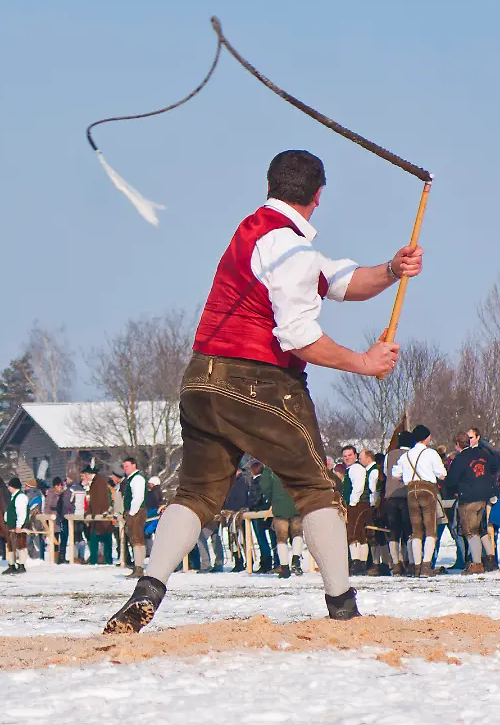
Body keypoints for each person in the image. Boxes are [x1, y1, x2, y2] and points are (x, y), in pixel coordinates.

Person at [106, 149, 422, 632]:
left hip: (202, 381)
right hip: (257, 380)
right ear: (319, 195)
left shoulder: (259, 233)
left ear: (271, 186)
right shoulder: (290, 248)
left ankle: (147, 592)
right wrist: (363, 362)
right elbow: (298, 336)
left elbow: (338, 279)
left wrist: (390, 270)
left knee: (194, 494)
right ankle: (343, 608)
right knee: (318, 490)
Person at [392, 425, 446, 577]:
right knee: (430, 529)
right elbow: (442, 474)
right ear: (427, 437)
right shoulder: (430, 453)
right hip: (427, 490)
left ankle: (416, 566)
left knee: (416, 531)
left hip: (411, 491)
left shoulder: (406, 455)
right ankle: (426, 567)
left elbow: (395, 473)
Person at [445, 428, 500, 574]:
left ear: (457, 444)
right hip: (484, 496)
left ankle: (477, 563)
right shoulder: (483, 453)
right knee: (482, 529)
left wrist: (452, 490)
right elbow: (495, 466)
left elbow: (451, 481)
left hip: (468, 497)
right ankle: (491, 559)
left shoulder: (460, 459)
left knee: (470, 531)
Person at [381, 431, 415, 574]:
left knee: (393, 531)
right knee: (408, 530)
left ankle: (395, 563)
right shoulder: (412, 455)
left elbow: (385, 472)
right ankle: (408, 560)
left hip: (391, 496)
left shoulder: (389, 455)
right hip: (407, 495)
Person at [342, 446, 373, 575]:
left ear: (355, 455)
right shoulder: (353, 468)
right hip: (360, 504)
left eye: (349, 455)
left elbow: (358, 487)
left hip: (358, 505)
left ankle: (357, 563)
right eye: (345, 456)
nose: (347, 458)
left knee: (353, 533)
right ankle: (361, 563)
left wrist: (352, 504)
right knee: (361, 535)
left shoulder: (356, 468)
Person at [120, 458, 148, 578]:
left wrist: (131, 513)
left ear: (134, 465)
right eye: (124, 466)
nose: (125, 468)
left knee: (136, 540)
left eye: (127, 466)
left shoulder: (137, 478)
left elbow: (138, 497)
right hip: (135, 511)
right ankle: (138, 566)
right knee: (136, 539)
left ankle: (138, 567)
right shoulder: (132, 478)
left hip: (137, 512)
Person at [2, 477, 30, 575]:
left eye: (10, 486)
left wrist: (19, 525)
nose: (8, 488)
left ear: (14, 486)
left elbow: (21, 512)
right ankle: (11, 565)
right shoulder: (13, 496)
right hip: (11, 525)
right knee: (10, 545)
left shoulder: (21, 497)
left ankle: (21, 565)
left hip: (18, 526)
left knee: (20, 545)